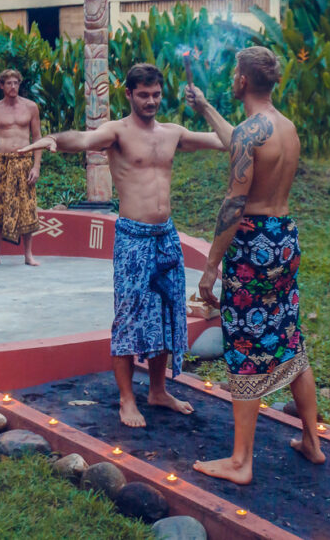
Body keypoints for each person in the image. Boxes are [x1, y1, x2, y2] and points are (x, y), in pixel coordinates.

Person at [17, 63, 227, 427]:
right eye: (143, 95)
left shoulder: (172, 132)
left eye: (156, 95)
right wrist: (54, 140)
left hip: (166, 238)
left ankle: (158, 391)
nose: (151, 101)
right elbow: (81, 140)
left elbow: (227, 141)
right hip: (133, 238)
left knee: (166, 314)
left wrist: (205, 107)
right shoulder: (117, 131)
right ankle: (127, 399)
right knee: (128, 319)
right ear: (128, 94)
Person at [187, 46, 325, 485]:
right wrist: (206, 108)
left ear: (243, 80)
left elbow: (234, 204)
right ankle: (313, 443)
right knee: (288, 336)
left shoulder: (251, 133)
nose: (231, 78)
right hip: (284, 240)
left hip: (253, 245)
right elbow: (244, 145)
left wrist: (211, 267)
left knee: (245, 345)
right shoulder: (284, 127)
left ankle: (240, 462)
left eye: (234, 73)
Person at [0, 69, 42, 267]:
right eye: (9, 83)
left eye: (16, 83)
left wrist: (36, 166)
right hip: (1, 163)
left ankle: (29, 254)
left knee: (27, 208)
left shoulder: (31, 107)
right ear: (1, 86)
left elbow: (37, 138)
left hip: (24, 162)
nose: (13, 86)